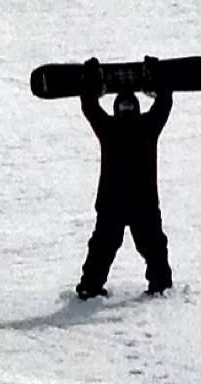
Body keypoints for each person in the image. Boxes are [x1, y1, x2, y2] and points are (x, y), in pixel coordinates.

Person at [73, 58, 176, 298]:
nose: (127, 110)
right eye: (125, 106)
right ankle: (159, 286)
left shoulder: (110, 128)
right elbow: (164, 103)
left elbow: (89, 106)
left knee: (131, 247)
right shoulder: (147, 127)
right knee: (133, 247)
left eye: (128, 106)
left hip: (118, 202)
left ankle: (92, 286)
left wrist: (90, 81)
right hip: (138, 202)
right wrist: (158, 77)